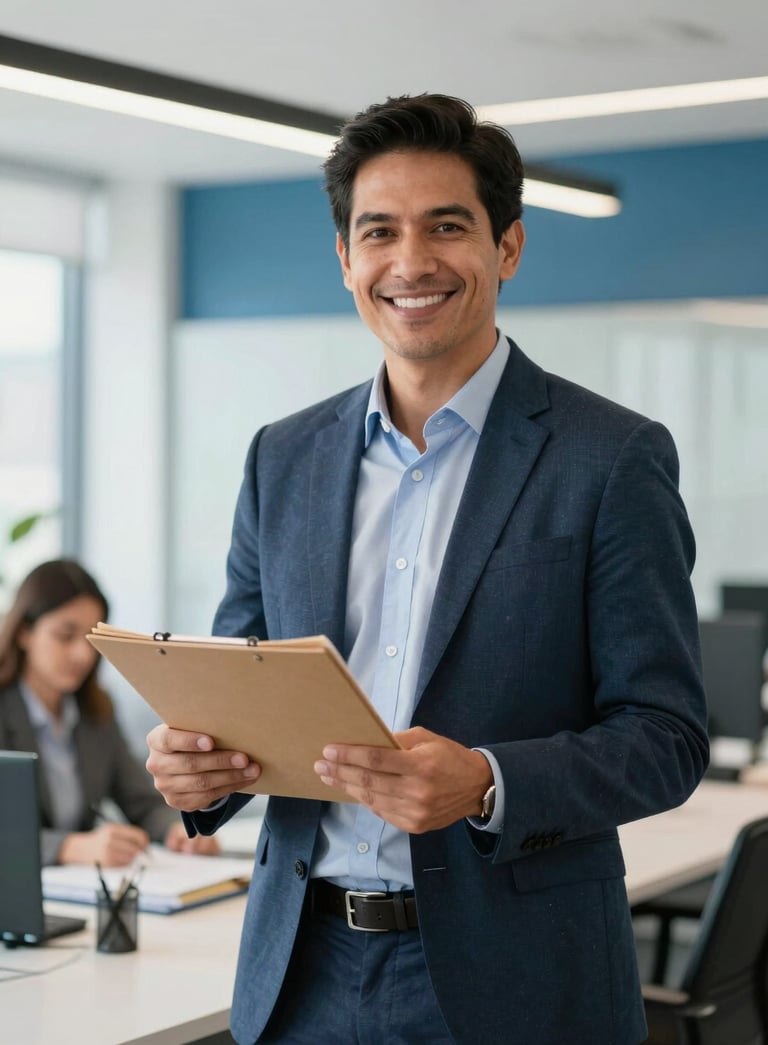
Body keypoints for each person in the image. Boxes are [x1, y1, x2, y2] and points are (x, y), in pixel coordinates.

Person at [146, 94, 708, 1045]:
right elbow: (243, 688)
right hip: (301, 972)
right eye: (380, 232)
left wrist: (487, 781)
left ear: (508, 248)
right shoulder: (280, 457)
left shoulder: (610, 457)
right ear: (345, 260)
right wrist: (200, 770)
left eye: (447, 226)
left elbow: (666, 735)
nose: (410, 262)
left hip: (517, 981)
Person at [0, 558, 220, 867]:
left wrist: (179, 830)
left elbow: (141, 801)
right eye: (65, 636)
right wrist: (70, 847)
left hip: (81, 891)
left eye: (91, 639)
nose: (83, 654)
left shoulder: (96, 711)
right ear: (25, 632)